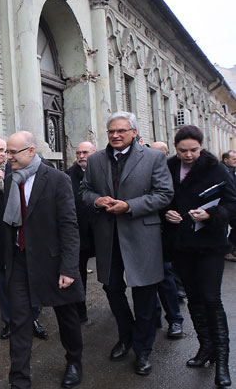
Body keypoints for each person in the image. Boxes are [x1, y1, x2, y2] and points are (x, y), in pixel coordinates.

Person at [80, 112, 173, 376]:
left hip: (141, 235)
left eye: (121, 130)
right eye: (111, 131)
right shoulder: (95, 159)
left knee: (144, 293)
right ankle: (126, 336)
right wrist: (96, 200)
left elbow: (164, 194)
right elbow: (84, 191)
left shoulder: (153, 158)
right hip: (108, 236)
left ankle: (143, 350)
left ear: (133, 132)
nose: (115, 135)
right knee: (111, 287)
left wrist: (130, 206)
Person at [3, 131, 84, 388]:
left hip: (53, 261)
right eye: (6, 152)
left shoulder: (58, 179)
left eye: (12, 152)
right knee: (19, 321)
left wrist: (69, 268)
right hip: (20, 260)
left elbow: (69, 226)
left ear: (31, 151)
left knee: (66, 317)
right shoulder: (10, 178)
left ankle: (74, 361)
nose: (8, 157)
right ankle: (19, 379)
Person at [163, 125, 236, 387]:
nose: (188, 155)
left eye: (193, 150)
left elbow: (232, 204)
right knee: (193, 298)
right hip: (182, 244)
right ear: (175, 148)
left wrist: (210, 215)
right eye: (183, 150)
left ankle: (223, 362)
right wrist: (167, 212)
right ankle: (206, 348)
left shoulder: (216, 168)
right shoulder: (170, 166)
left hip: (210, 244)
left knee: (211, 299)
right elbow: (161, 197)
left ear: (201, 147)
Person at [0, 137, 49, 341]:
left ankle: (33, 319)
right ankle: (8, 321)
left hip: (23, 235)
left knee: (31, 279)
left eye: (2, 150)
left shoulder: (18, 168)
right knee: (3, 282)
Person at [149, 141, 185, 339]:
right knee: (145, 281)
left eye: (159, 153)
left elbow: (170, 199)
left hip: (164, 233)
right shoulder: (144, 170)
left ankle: (174, 319)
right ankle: (153, 317)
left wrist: (168, 213)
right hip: (143, 232)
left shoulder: (173, 171)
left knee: (164, 276)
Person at [66, 141, 97, 323]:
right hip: (80, 233)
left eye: (85, 152)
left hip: (102, 232)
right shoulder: (68, 176)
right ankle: (80, 311)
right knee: (79, 274)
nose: (81, 156)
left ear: (94, 152)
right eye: (78, 153)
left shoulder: (103, 172)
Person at [221, 151, 236, 262]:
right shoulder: (221, 170)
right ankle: (226, 252)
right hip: (223, 205)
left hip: (232, 203)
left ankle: (231, 248)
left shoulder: (232, 170)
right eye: (234, 159)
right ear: (226, 160)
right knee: (223, 229)